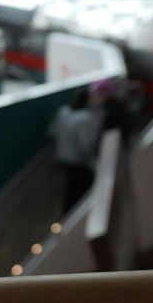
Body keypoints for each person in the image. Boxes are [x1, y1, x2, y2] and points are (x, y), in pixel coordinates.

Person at [50, 83, 111, 211]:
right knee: (77, 191)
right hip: (78, 162)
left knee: (70, 189)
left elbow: (53, 132)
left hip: (62, 157)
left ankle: (64, 220)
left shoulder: (63, 112)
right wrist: (93, 159)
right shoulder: (86, 118)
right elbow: (86, 143)